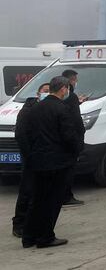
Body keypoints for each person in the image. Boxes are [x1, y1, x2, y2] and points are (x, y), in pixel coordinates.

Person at [22, 76, 81, 248]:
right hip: (58, 163)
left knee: (37, 200)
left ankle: (28, 237)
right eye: (67, 89)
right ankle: (45, 237)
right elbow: (69, 136)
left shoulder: (35, 108)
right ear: (63, 88)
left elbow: (27, 134)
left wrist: (31, 155)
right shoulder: (62, 109)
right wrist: (76, 150)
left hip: (38, 161)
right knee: (52, 201)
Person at [12, 83, 49, 237]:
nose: (47, 93)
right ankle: (19, 223)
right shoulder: (27, 111)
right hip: (32, 157)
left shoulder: (48, 109)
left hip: (45, 157)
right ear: (38, 93)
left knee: (41, 192)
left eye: (49, 91)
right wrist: (29, 156)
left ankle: (34, 222)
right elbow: (21, 135)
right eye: (44, 91)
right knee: (27, 190)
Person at [60, 69, 85, 206]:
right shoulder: (71, 97)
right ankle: (66, 197)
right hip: (70, 140)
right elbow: (76, 120)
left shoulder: (60, 97)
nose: (76, 82)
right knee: (69, 170)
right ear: (70, 81)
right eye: (75, 79)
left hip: (59, 140)